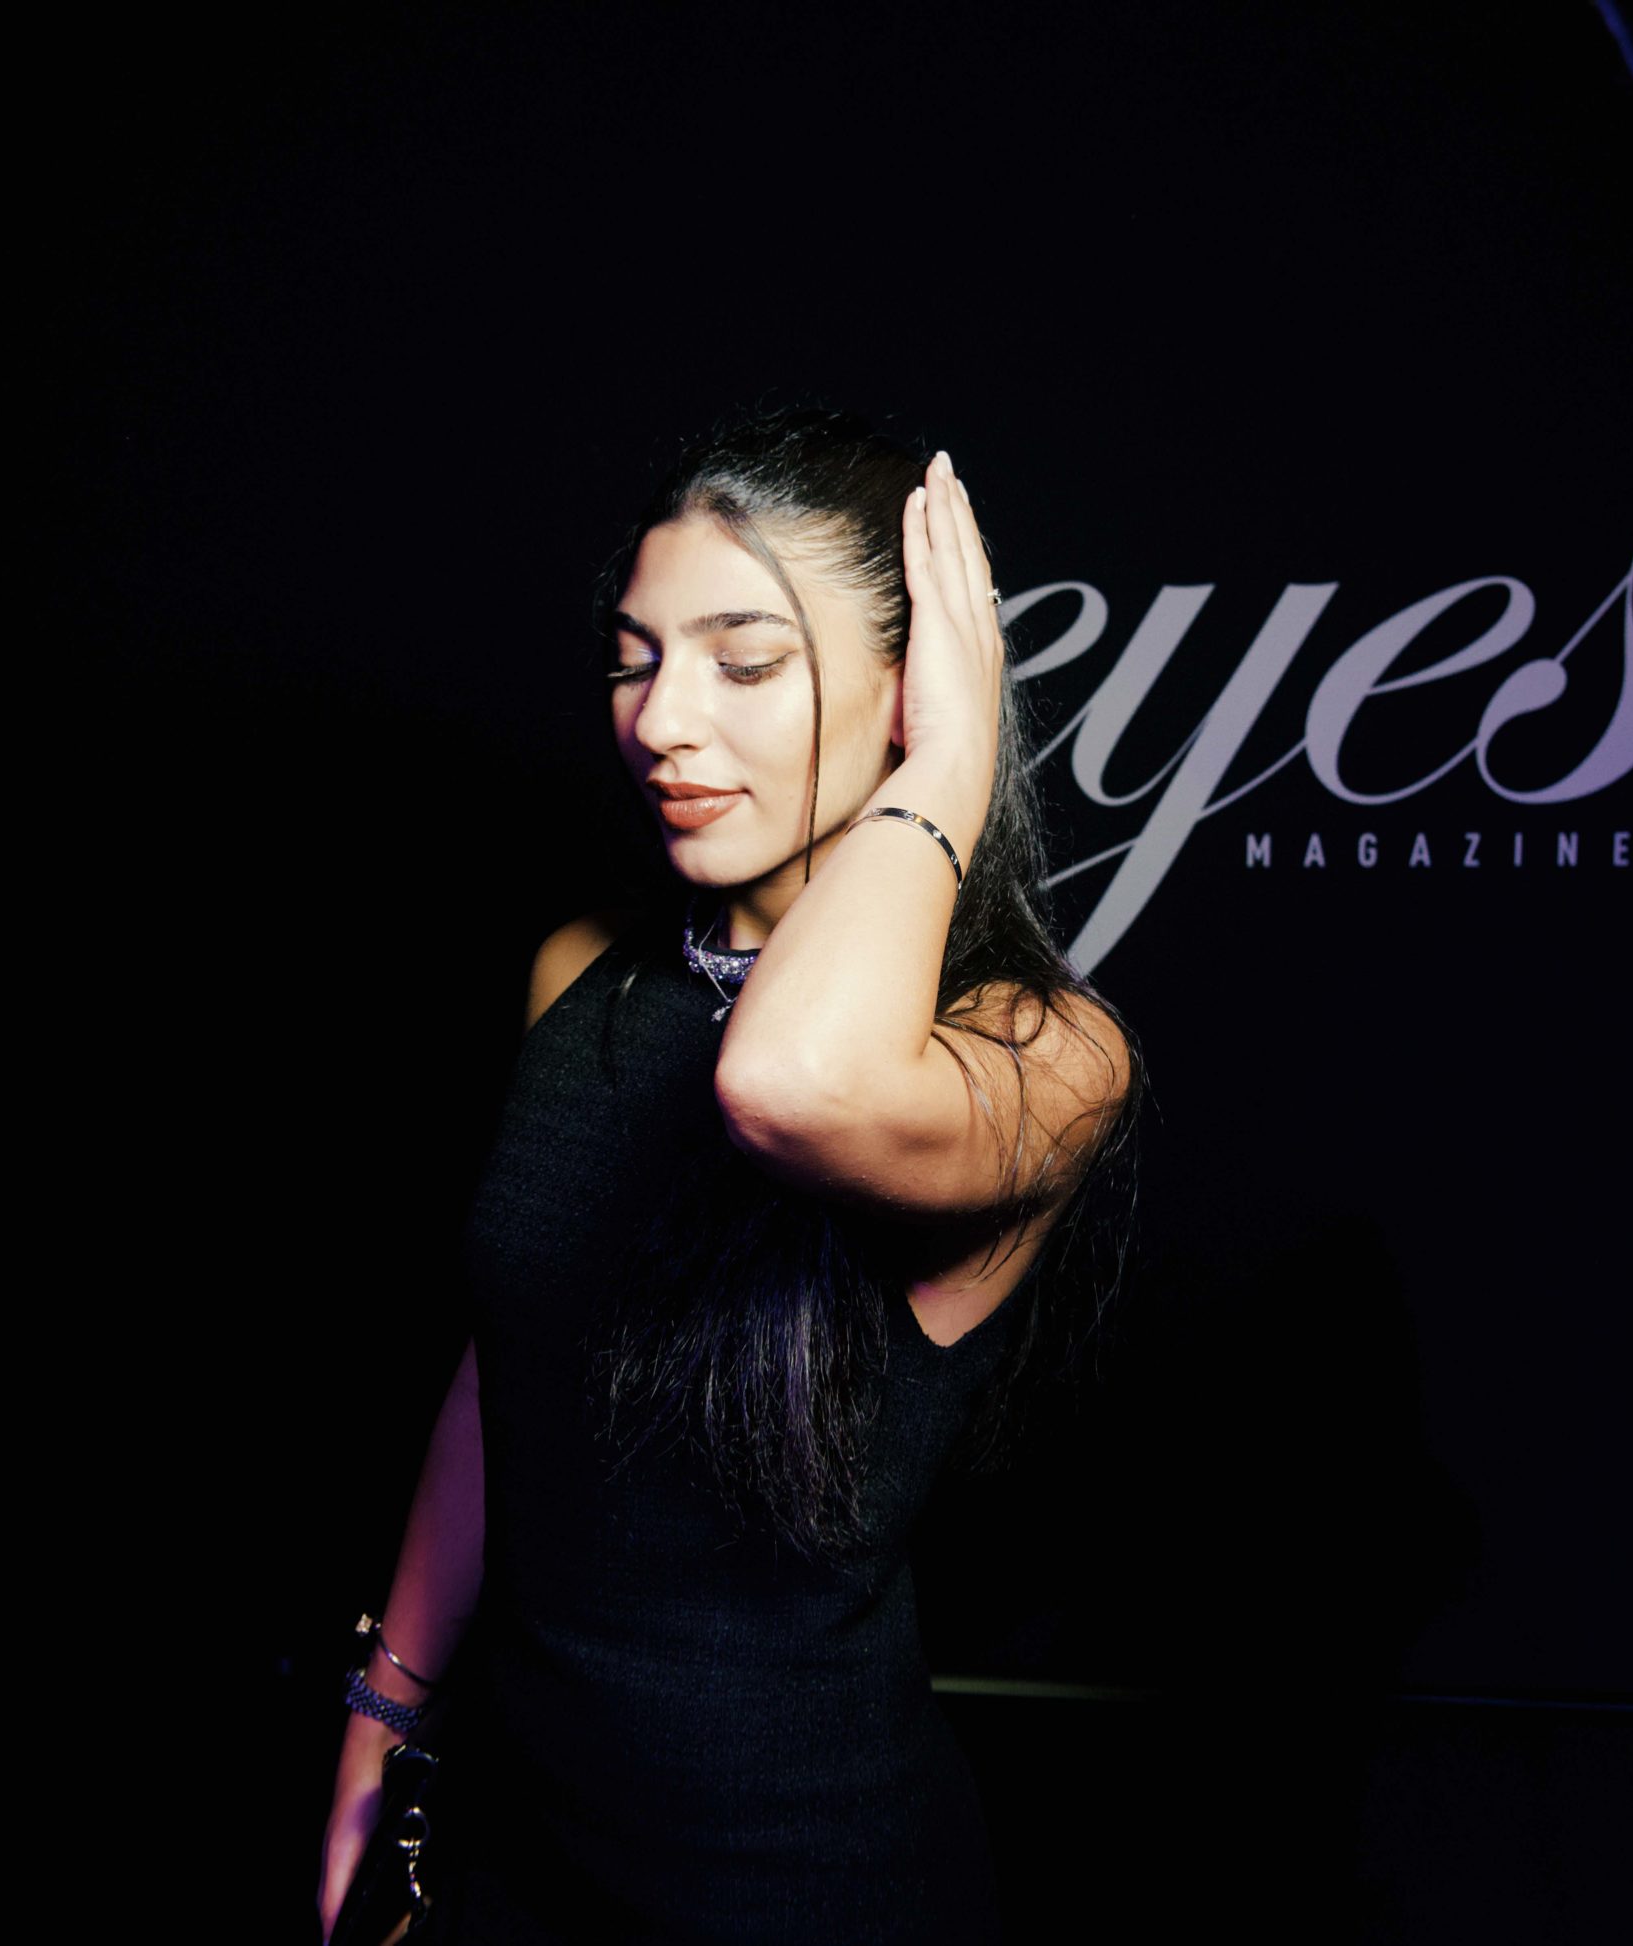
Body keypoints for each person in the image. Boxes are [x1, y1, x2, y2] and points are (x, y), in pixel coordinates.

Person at [317, 406, 1142, 1944]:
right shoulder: (583, 974)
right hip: (518, 1848)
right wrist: (386, 1710)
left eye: (746, 663)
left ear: (912, 686)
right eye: (635, 659)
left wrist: (955, 756)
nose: (661, 721)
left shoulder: (1039, 1050)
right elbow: (508, 1371)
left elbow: (790, 1084)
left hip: (803, 1886)